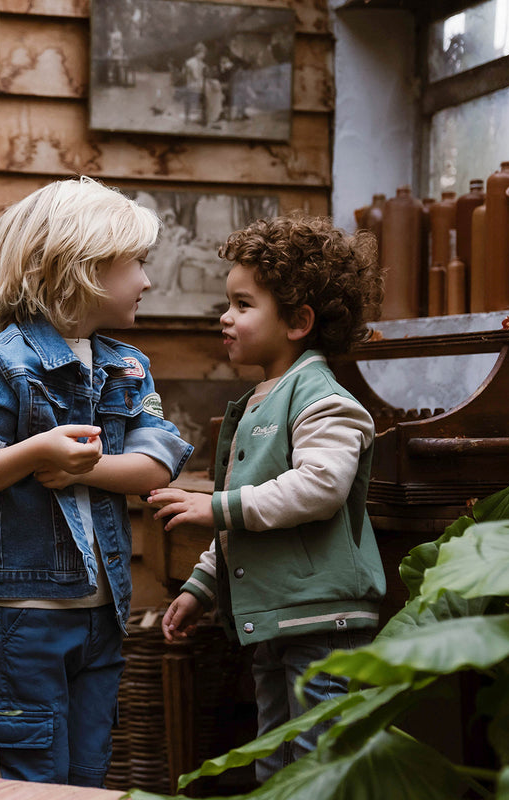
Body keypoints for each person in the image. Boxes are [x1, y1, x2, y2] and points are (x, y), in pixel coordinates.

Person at [0, 176, 194, 787]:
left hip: (105, 611)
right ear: (84, 268)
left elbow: (155, 464)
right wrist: (33, 451)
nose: (147, 281)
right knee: (37, 769)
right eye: (137, 264)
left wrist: (73, 466)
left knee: (92, 766)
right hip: (29, 613)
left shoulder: (128, 366)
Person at [147, 214, 386, 783]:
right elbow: (245, 514)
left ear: (299, 321)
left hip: (324, 623)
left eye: (242, 304)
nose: (225, 318)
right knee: (275, 764)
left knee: (317, 765)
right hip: (280, 621)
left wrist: (216, 508)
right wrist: (203, 586)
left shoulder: (323, 399)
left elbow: (319, 488)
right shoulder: (261, 400)